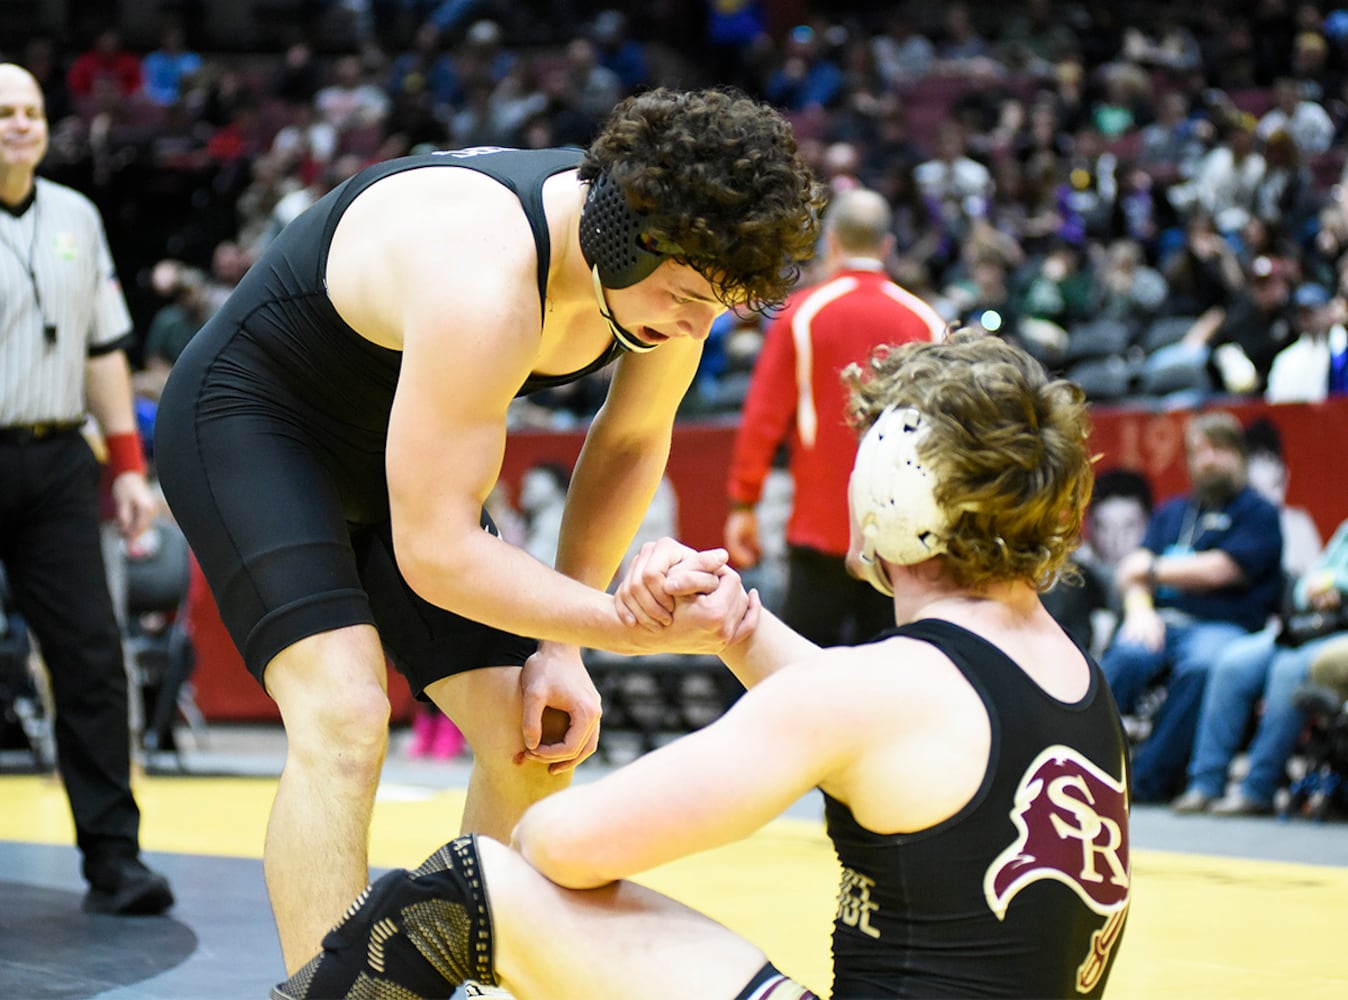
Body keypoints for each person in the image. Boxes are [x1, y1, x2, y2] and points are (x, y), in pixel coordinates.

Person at [153, 87, 824, 973]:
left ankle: (455, 982)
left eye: (719, 305)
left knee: (534, 732)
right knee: (345, 715)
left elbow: (625, 442)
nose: (697, 328)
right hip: (255, 422)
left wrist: (567, 647)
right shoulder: (485, 271)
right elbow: (435, 553)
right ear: (628, 229)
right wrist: (624, 626)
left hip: (407, 444)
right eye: (690, 296)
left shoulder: (667, 266)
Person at [274, 330, 1130, 1000]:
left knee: (474, 881)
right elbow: (877, 726)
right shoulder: (1072, 679)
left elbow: (558, 845)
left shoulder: (873, 692)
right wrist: (738, 628)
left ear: (889, 493)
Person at [0, 63, 173, 914]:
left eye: (31, 110)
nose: (19, 124)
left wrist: (129, 466)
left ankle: (115, 859)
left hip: (57, 462)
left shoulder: (77, 216)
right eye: (3, 112)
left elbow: (105, 351)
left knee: (91, 659)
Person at [724, 187, 945, 647]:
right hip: (903, 537)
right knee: (895, 670)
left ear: (831, 244)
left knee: (804, 667)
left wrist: (744, 504)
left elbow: (763, 418)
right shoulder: (927, 321)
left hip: (820, 527)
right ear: (887, 247)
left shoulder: (802, 316)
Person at [1102, 411, 1284, 803]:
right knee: (1126, 655)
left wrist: (1151, 567)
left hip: (1224, 624)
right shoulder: (1172, 512)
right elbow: (1127, 577)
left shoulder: (1258, 514)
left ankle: (1147, 781)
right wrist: (1139, 612)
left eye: (1219, 449)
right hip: (1161, 620)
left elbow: (1222, 570)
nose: (1208, 460)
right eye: (1199, 452)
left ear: (1239, 455)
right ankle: (1090, 765)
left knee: (1202, 666)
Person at [1173, 516, 1348, 816]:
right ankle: (1205, 784)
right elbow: (1305, 583)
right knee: (1233, 662)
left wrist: (1336, 586)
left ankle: (1258, 789)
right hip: (1311, 624)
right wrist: (1311, 591)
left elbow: (1333, 580)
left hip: (1340, 632)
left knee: (1287, 669)